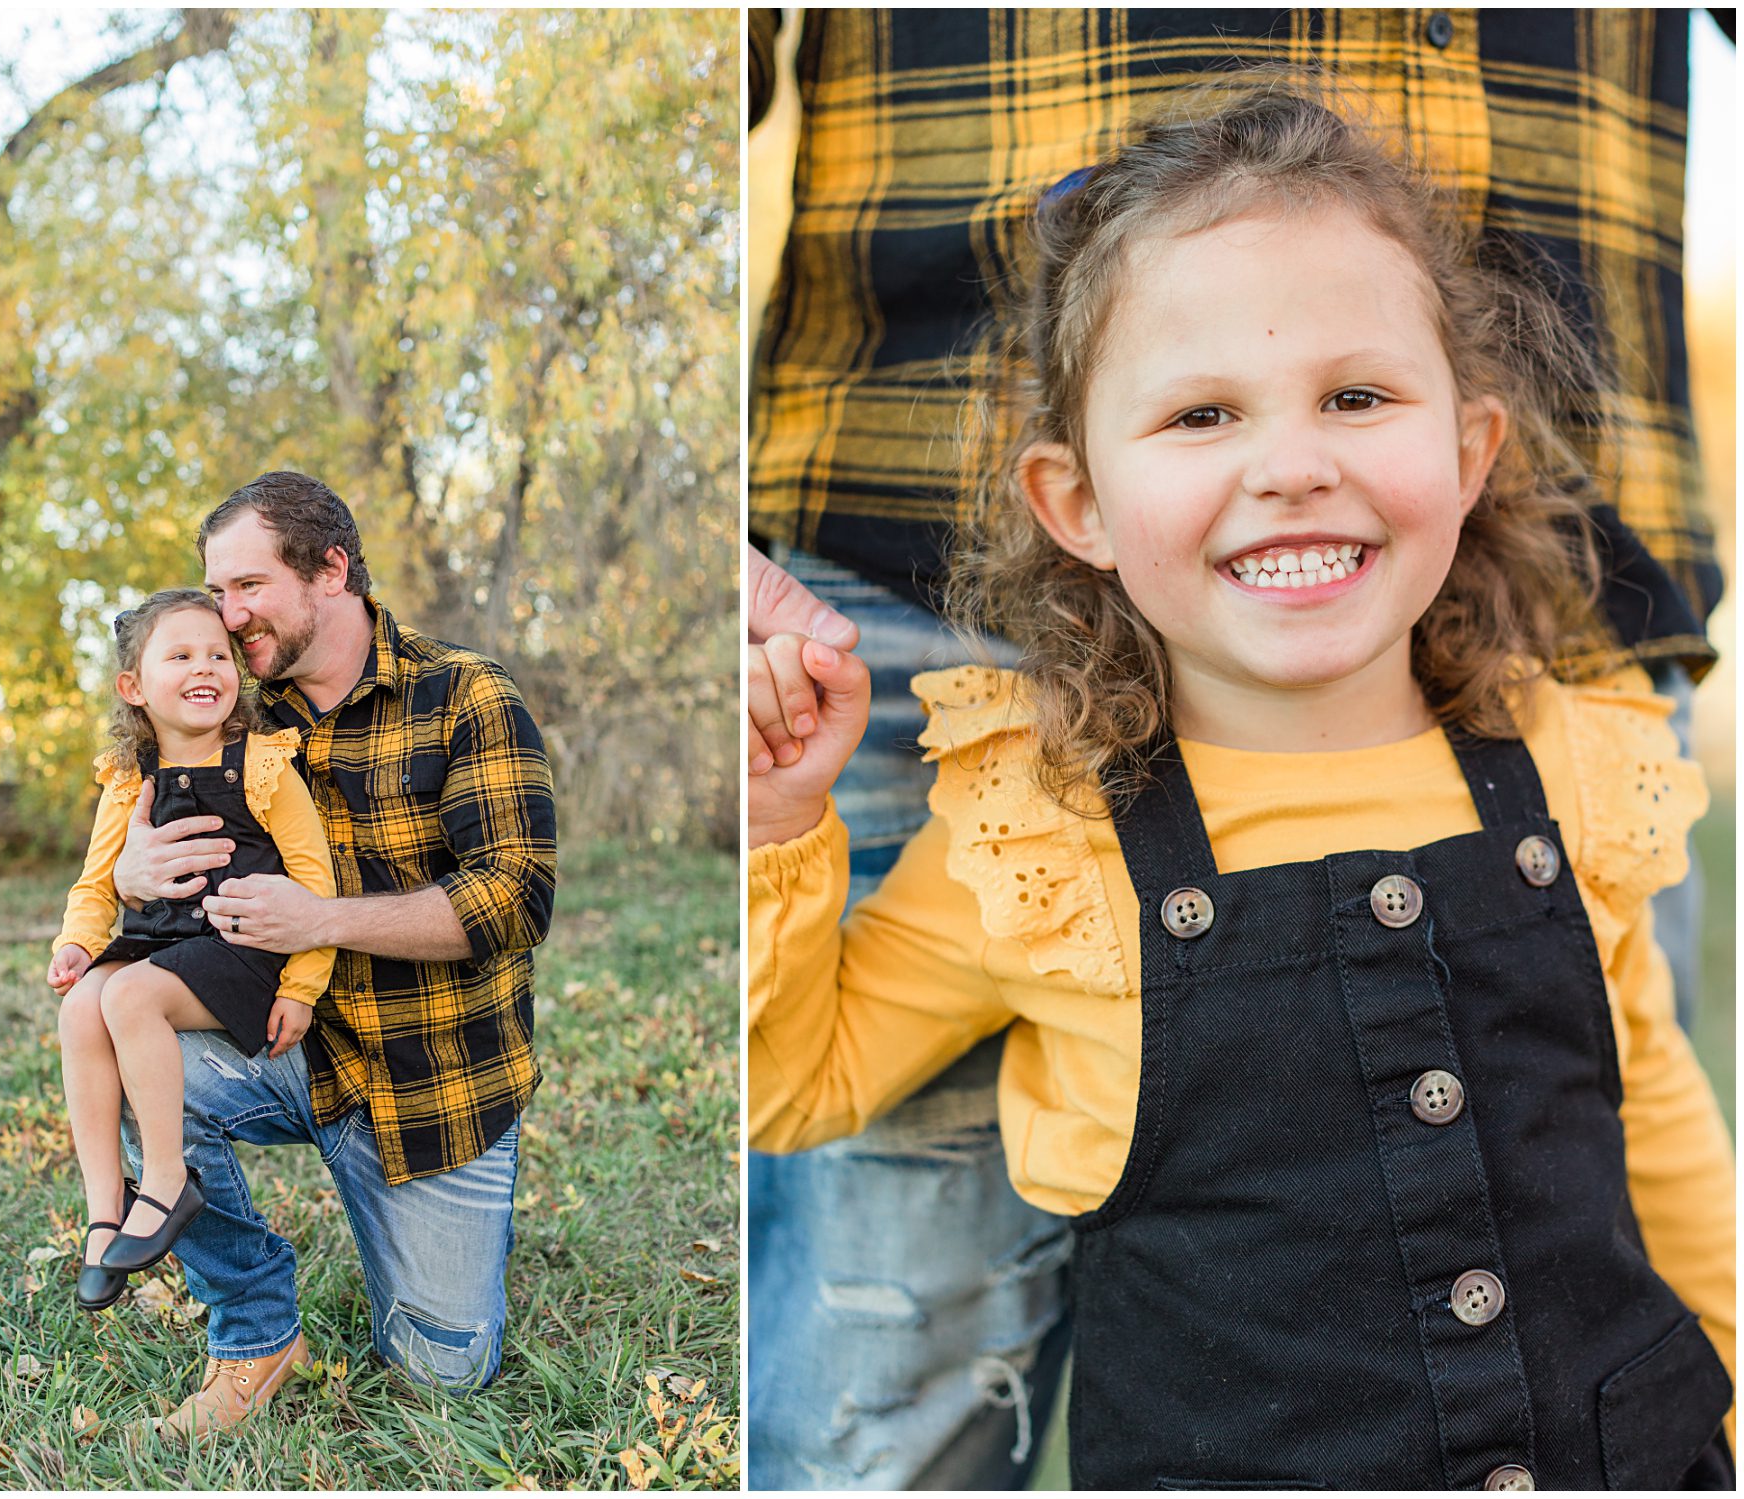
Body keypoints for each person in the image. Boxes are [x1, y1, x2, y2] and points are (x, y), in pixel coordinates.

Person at [746, 11, 1730, 1486]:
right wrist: (780, 831)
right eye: (1203, 412)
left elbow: (1650, 1123)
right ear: (1076, 503)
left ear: (1470, 450)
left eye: (1357, 396)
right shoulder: (1037, 835)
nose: (1290, 463)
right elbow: (790, 1078)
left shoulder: (1577, 768)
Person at [109, 472, 557, 1438]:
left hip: (433, 1087)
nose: (226, 619)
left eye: (246, 587)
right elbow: (122, 826)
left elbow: (516, 897)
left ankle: (431, 1230)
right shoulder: (233, 715)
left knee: (444, 1374)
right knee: (127, 1051)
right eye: (215, 593)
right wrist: (130, 872)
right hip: (285, 1048)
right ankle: (257, 1326)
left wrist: (321, 919)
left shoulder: (466, 694)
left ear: (331, 569)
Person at [48, 589, 337, 1314]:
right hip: (165, 941)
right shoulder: (127, 777)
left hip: (244, 949)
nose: (205, 667)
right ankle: (104, 1209)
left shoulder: (263, 765)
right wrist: (77, 944)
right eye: (179, 655)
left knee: (129, 995)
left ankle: (168, 1181)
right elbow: (97, 882)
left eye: (218, 654)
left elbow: (315, 880)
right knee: (84, 1007)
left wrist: (303, 984)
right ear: (134, 686)